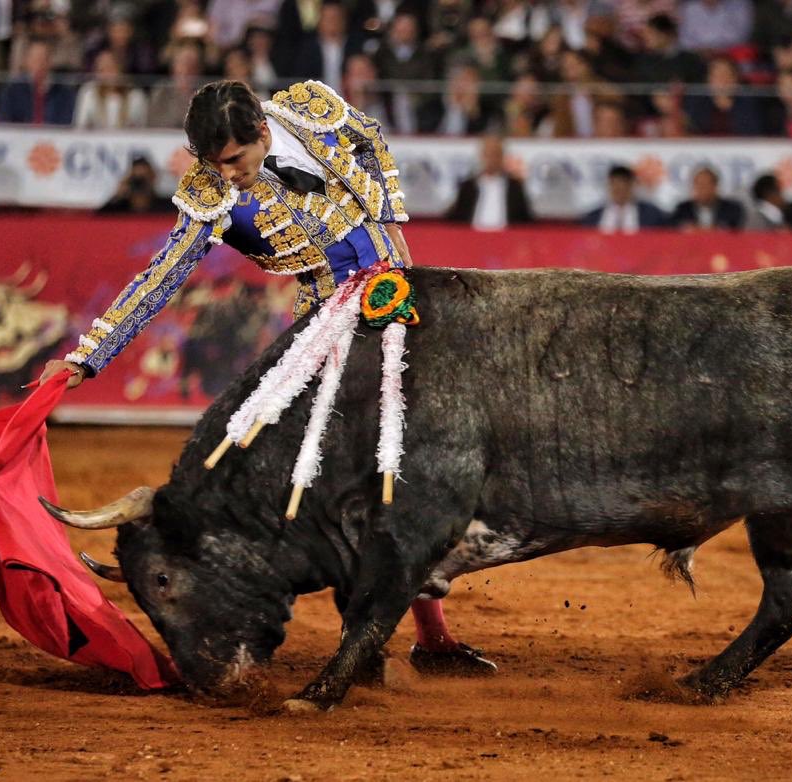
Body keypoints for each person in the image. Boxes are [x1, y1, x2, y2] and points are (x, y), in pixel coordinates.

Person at [38, 79, 492, 676]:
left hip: (407, 302)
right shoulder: (209, 195)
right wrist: (87, 355)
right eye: (212, 164)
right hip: (327, 334)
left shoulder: (311, 110)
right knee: (351, 482)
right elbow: (160, 277)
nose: (225, 175)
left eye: (233, 159)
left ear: (259, 132)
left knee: (415, 472)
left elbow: (370, 137)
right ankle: (378, 634)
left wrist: (385, 218)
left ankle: (426, 640)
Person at [443, 134, 534, 230]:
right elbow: (454, 219)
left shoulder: (514, 187)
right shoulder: (468, 187)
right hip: (472, 239)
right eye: (487, 154)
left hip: (506, 240)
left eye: (495, 154)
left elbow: (526, 221)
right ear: (481, 156)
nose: (491, 159)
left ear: (502, 157)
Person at [0, 39, 77, 125]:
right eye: (35, 59)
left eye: (43, 59)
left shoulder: (65, 94)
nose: (39, 64)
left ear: (50, 62)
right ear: (27, 62)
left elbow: (67, 123)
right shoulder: (11, 92)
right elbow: (4, 123)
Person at [581, 164, 668, 233]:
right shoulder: (592, 217)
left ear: (632, 186)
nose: (619, 191)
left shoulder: (652, 215)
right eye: (614, 186)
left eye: (623, 186)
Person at [671, 166, 745, 230]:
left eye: (706, 185)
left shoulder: (732, 209)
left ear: (715, 186)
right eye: (698, 185)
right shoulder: (682, 209)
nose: (702, 189)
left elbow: (735, 231)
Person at [98, 157, 171, 214]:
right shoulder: (118, 208)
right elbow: (97, 221)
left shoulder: (166, 206)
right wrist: (117, 196)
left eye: (144, 178)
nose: (140, 184)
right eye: (136, 178)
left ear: (153, 178)